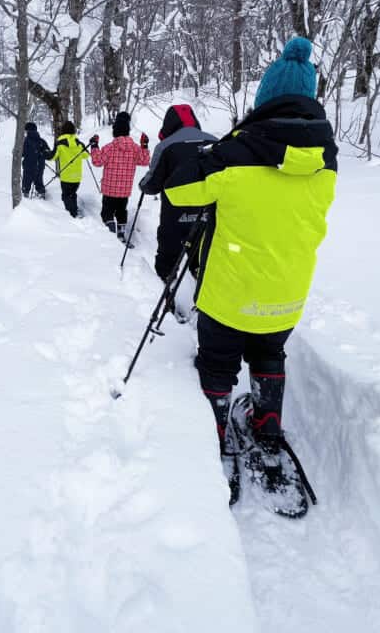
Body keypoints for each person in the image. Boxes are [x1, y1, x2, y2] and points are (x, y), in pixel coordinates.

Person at [162, 37, 337, 517]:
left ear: (264, 98)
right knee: (269, 354)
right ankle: (267, 425)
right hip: (287, 295)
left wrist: (213, 155)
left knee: (218, 363)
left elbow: (180, 194)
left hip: (229, 293)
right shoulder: (327, 159)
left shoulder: (236, 153)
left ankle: (219, 428)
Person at [138, 104, 217, 281]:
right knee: (202, 255)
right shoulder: (214, 142)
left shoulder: (166, 146)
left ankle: (166, 286)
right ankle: (200, 287)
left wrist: (142, 185)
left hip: (174, 215)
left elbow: (152, 184)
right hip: (206, 214)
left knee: (168, 255)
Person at [88, 111, 150, 242]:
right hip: (124, 190)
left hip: (109, 189)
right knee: (122, 211)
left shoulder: (109, 148)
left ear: (115, 131)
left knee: (107, 212)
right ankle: (121, 233)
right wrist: (144, 146)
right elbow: (144, 161)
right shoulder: (135, 148)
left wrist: (94, 146)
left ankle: (110, 234)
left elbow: (97, 161)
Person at [49, 120, 89, 218]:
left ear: (63, 131)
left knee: (66, 196)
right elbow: (86, 155)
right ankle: (74, 210)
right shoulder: (79, 143)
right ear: (73, 131)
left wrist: (44, 153)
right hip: (77, 177)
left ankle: (72, 214)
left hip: (66, 176)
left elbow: (52, 157)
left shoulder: (60, 143)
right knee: (72, 193)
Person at [21, 122, 51, 199]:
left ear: (27, 130)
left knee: (26, 183)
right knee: (39, 181)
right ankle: (42, 194)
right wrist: (41, 154)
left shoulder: (24, 141)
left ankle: (25, 198)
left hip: (28, 166)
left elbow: (21, 154)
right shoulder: (41, 141)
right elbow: (48, 154)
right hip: (40, 166)